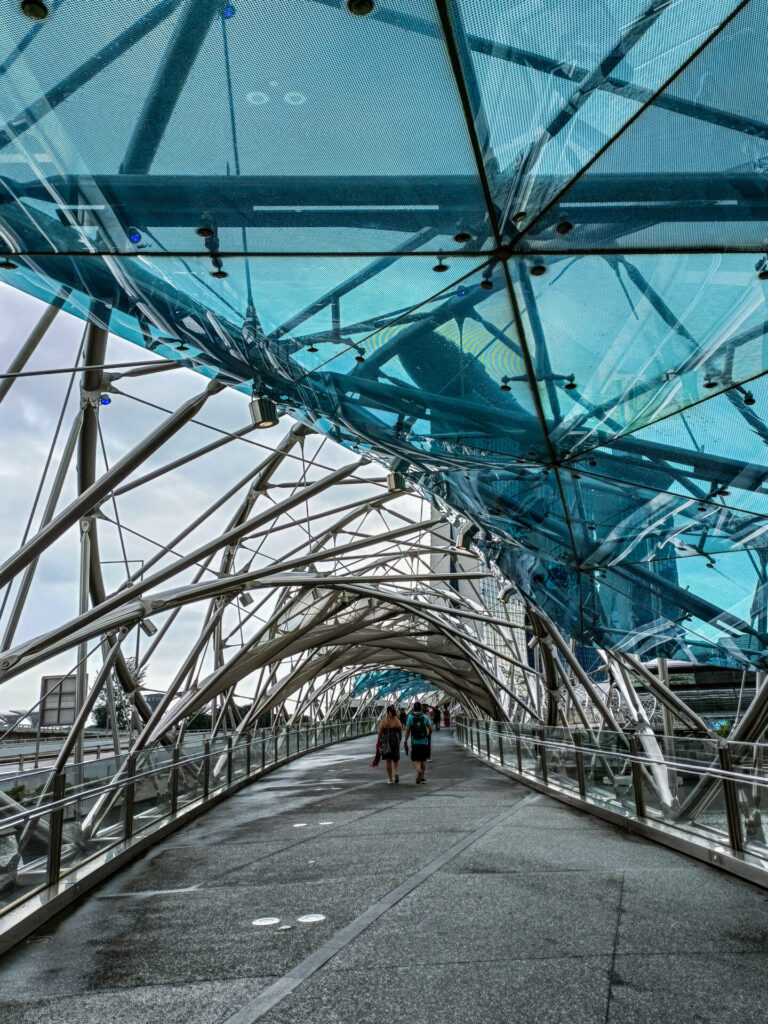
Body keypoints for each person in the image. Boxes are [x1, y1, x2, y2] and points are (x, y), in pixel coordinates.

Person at [404, 701, 432, 784]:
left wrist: (405, 741)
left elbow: (407, 731)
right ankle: (422, 776)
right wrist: (427, 734)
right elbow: (430, 729)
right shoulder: (424, 717)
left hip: (415, 742)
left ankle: (418, 770)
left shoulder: (410, 717)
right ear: (420, 709)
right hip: (424, 742)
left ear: (413, 708)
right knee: (423, 760)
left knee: (415, 759)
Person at [377, 704, 403, 784]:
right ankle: (397, 773)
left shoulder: (383, 721)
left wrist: (378, 742)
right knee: (396, 759)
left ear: (388, 712)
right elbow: (400, 732)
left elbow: (380, 733)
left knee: (388, 761)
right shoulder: (397, 721)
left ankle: (390, 779)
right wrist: (399, 740)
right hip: (395, 740)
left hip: (386, 741)